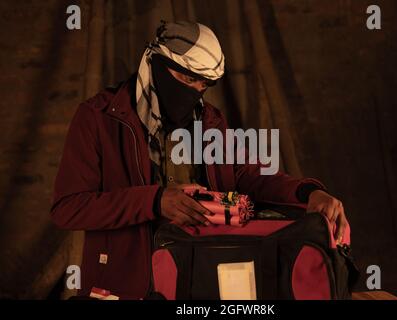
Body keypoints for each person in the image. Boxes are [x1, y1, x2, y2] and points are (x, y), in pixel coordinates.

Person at [51, 21, 349, 299]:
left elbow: (249, 176)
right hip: (127, 285)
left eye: (203, 85)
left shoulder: (210, 121)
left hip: (199, 279)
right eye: (186, 78)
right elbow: (69, 208)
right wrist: (154, 201)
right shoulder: (98, 118)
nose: (194, 92)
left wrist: (308, 192)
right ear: (156, 63)